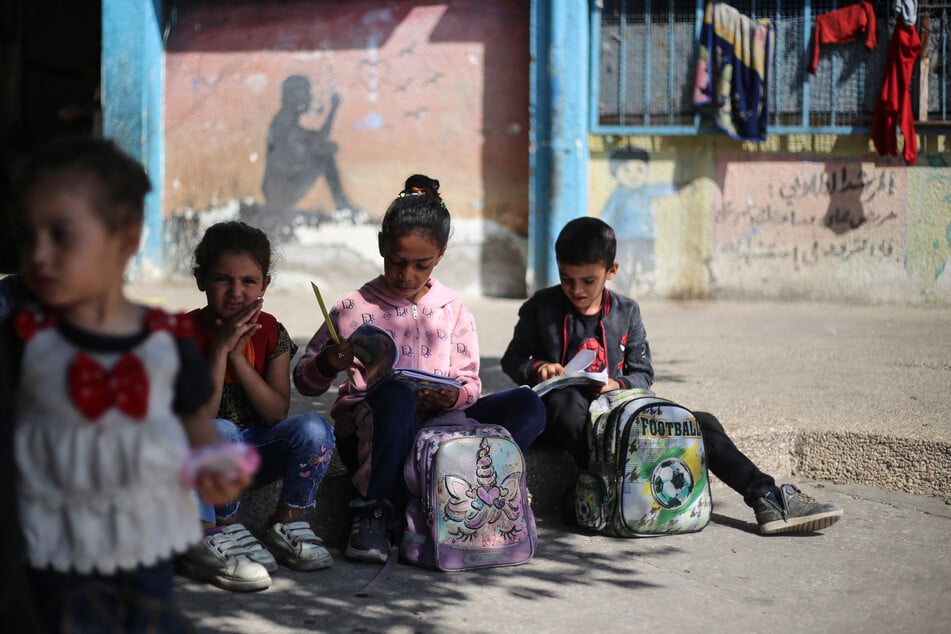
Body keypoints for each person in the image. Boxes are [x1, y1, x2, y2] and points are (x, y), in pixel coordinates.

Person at [6, 137, 249, 632]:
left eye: (61, 235)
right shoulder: (22, 339)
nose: (39, 255)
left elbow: (193, 420)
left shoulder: (165, 341)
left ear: (125, 236)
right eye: (27, 236)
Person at [501, 217, 844, 535]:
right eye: (566, 279)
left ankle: (768, 498)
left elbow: (643, 374)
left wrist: (615, 384)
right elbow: (512, 359)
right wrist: (538, 368)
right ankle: (604, 485)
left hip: (617, 416)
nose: (576, 290)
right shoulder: (541, 307)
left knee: (701, 424)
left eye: (588, 281)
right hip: (568, 422)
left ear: (611, 271)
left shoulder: (627, 311)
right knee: (564, 401)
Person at [293, 175, 546, 562]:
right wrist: (326, 364)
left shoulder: (454, 309)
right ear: (381, 246)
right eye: (396, 261)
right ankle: (374, 511)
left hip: (442, 428)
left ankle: (476, 488)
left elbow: (471, 383)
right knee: (394, 396)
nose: (406, 275)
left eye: (421, 265)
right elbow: (305, 380)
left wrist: (454, 395)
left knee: (530, 406)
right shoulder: (353, 307)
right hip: (377, 430)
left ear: (440, 256)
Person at [177, 221, 337, 591]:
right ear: (200, 279)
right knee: (221, 429)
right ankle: (224, 526)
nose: (236, 292)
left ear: (265, 284)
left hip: (253, 453)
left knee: (315, 429)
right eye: (222, 280)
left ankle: (287, 523)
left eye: (249, 281)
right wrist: (218, 348)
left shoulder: (271, 333)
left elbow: (275, 414)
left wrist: (238, 358)